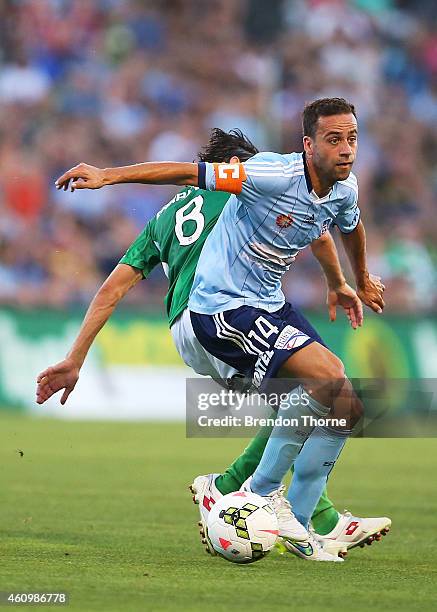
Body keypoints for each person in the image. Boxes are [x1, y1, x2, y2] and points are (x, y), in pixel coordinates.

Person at [50, 106, 389, 559]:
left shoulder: (164, 221)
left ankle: (300, 517)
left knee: (337, 402)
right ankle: (256, 498)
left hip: (207, 321)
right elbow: (316, 231)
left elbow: (113, 288)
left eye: (351, 138)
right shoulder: (253, 184)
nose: (345, 148)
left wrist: (75, 357)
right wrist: (107, 176)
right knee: (317, 385)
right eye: (334, 139)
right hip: (219, 312)